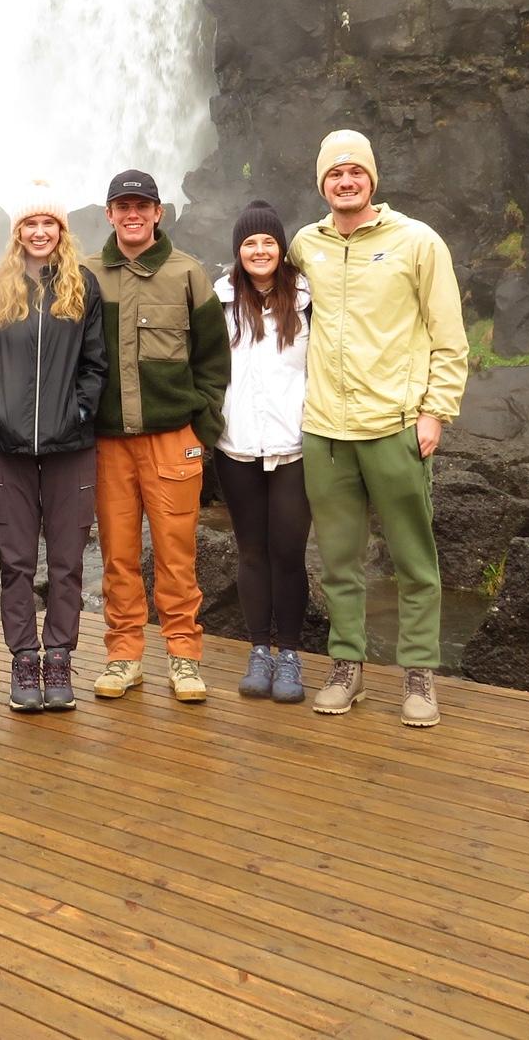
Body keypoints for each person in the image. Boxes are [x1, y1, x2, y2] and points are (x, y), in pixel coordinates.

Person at [288, 129, 468, 729]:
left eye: (355, 172)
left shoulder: (417, 242)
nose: (345, 182)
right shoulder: (305, 245)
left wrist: (435, 411)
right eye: (334, 174)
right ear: (322, 183)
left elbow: (449, 336)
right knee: (338, 561)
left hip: (394, 426)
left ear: (371, 179)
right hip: (325, 431)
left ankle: (419, 673)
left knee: (413, 559)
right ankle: (348, 665)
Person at [86, 170, 230, 704]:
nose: (132, 215)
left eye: (141, 206)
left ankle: (184, 657)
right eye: (122, 206)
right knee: (118, 556)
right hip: (108, 443)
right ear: (109, 214)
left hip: (173, 439)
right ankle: (124, 656)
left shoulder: (187, 273)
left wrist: (201, 426)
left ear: (157, 213)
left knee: (176, 553)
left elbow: (214, 361)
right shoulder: (86, 275)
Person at [0, 184, 106, 712]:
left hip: (69, 445)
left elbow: (96, 363)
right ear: (17, 232)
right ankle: (23, 659)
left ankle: (58, 657)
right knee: (15, 562)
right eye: (29, 224)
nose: (39, 232)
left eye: (48, 223)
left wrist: (80, 411)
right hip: (8, 447)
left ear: (61, 230)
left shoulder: (82, 285)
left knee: (67, 561)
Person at [213, 200, 312, 705]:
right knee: (251, 551)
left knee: (289, 552)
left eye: (268, 241)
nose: (259, 250)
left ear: (281, 247)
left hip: (294, 447)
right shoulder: (219, 303)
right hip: (237, 447)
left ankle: (290, 653)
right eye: (249, 242)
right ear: (238, 250)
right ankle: (259, 651)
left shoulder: (308, 301)